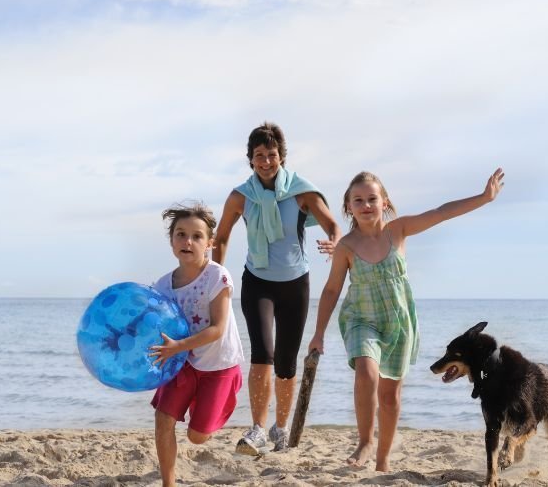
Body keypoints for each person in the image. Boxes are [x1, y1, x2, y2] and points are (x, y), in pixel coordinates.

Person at [307, 168, 505, 472]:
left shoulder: (398, 230)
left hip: (398, 323)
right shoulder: (346, 247)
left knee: (389, 397)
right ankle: (365, 442)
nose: (366, 205)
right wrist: (319, 333)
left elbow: (440, 213)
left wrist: (484, 198)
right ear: (348, 207)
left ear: (384, 202)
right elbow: (332, 289)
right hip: (362, 319)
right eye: (358, 200)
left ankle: (383, 460)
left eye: (372, 198)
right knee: (366, 373)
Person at [213, 122, 341, 455]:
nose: (266, 162)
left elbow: (331, 224)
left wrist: (335, 242)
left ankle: (280, 429)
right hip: (257, 283)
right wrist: (215, 273)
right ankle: (257, 429)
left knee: (286, 362)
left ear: (281, 157)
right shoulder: (241, 196)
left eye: (272, 155)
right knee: (262, 355)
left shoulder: (300, 191)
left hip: (295, 284)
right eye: (259, 156)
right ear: (250, 160)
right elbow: (222, 235)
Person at [149, 203, 245, 487]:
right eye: (180, 234)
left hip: (219, 364)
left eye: (196, 236)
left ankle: (220, 400)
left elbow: (217, 328)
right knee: (163, 420)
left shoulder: (217, 276)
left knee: (197, 436)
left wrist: (178, 345)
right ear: (171, 241)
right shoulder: (163, 285)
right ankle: (169, 483)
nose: (187, 241)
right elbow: (154, 326)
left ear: (209, 243)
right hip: (181, 363)